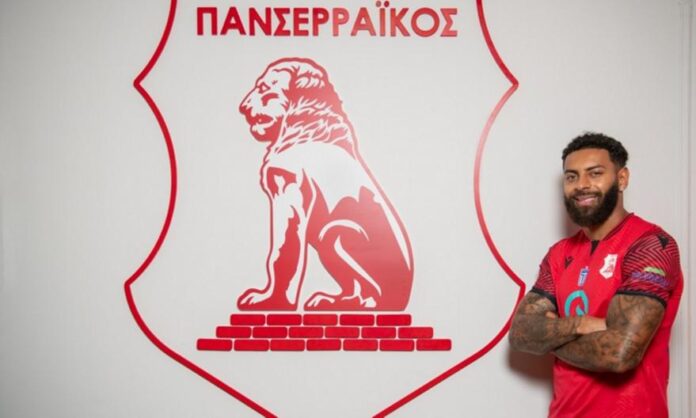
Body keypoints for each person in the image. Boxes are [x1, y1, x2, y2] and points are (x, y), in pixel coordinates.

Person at [509, 132, 683, 418]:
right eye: (572, 177)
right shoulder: (559, 254)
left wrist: (550, 337)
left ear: (622, 179)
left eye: (595, 173)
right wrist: (582, 324)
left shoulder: (651, 245)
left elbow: (619, 354)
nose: (582, 185)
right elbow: (520, 334)